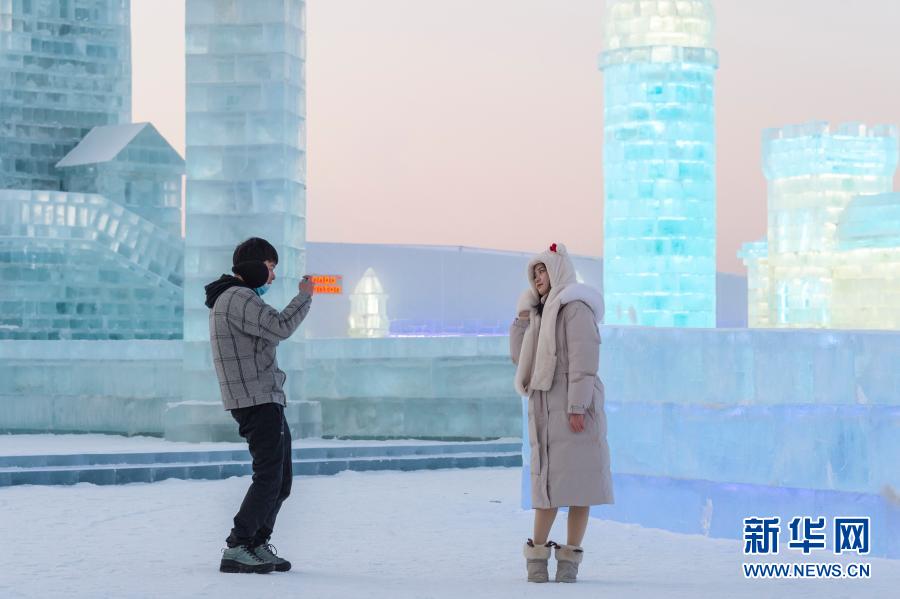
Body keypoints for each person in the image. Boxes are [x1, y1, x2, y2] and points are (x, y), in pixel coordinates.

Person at [204, 237, 315, 574]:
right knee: (269, 476)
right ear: (252, 266)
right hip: (257, 398)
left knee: (280, 479)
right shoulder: (237, 296)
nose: (272, 277)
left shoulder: (235, 296)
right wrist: (305, 296)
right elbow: (279, 327)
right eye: (269, 268)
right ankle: (238, 545)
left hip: (262, 397)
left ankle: (255, 543)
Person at [509, 242, 613, 583]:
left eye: (543, 270)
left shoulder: (574, 308)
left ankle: (569, 562)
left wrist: (577, 405)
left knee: (579, 487)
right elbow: (519, 359)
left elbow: (585, 362)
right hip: (546, 409)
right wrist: (524, 318)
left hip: (572, 409)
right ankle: (537, 560)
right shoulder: (541, 314)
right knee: (548, 489)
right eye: (534, 272)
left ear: (558, 272)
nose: (539, 277)